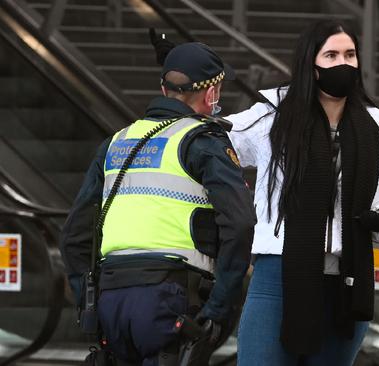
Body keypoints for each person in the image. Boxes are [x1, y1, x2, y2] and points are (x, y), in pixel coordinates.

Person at [59, 42, 256, 365]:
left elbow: (73, 236)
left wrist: (89, 302)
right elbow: (240, 222)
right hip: (171, 298)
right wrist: (219, 307)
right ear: (211, 95)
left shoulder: (116, 142)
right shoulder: (202, 141)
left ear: (163, 88)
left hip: (111, 299)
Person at [224, 20, 379, 365]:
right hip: (277, 277)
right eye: (331, 55)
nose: (343, 63)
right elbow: (217, 146)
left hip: (345, 283)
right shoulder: (273, 118)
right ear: (311, 63)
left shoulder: (373, 132)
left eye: (350, 54)